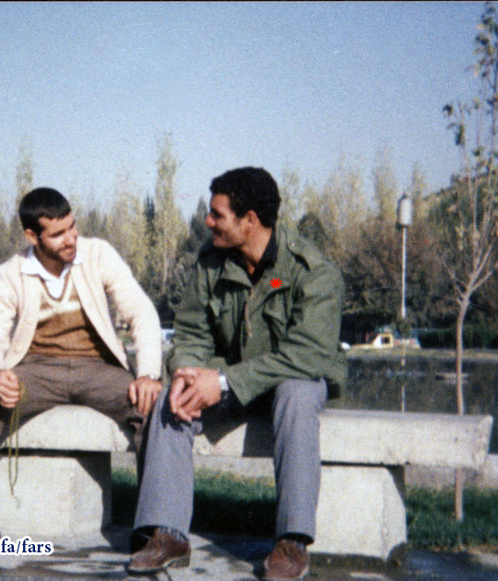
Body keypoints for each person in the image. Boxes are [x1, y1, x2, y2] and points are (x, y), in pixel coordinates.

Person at [127, 167, 347, 580]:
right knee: (171, 398)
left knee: (298, 395)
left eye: (217, 214)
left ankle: (292, 541)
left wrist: (225, 381)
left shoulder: (313, 271)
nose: (207, 221)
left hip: (292, 379)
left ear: (250, 220)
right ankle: (167, 535)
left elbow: (308, 354)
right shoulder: (210, 262)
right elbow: (192, 332)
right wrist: (188, 371)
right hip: (229, 379)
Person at [0, 187, 163, 542]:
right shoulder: (10, 273)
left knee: (153, 403)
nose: (71, 238)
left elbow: (141, 312)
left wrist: (147, 374)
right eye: (58, 234)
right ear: (32, 237)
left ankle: (153, 524)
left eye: (72, 226)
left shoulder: (98, 254)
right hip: (36, 371)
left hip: (98, 369)